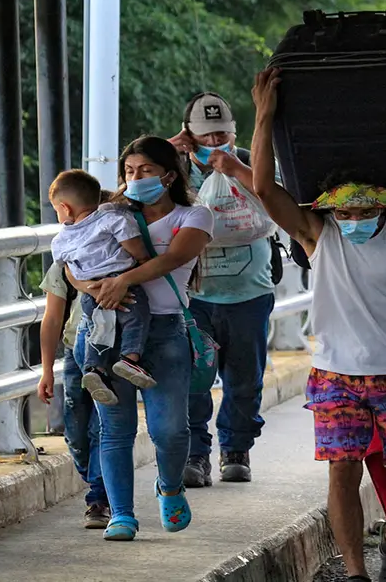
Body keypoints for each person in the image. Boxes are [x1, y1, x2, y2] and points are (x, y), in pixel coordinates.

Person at [251, 68, 386, 582]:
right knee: (341, 470)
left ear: (382, 203)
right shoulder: (319, 233)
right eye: (344, 208)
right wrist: (263, 116)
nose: (352, 216)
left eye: (363, 208)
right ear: (331, 208)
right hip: (334, 375)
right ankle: (357, 572)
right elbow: (264, 187)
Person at [68, 136, 214, 541]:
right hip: (107, 329)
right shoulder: (106, 214)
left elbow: (172, 258)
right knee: (114, 428)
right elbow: (69, 259)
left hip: (165, 331)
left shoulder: (194, 216)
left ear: (168, 175)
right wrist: (93, 287)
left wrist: (122, 281)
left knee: (170, 430)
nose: (135, 178)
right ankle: (122, 515)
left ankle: (169, 487)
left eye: (145, 170)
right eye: (129, 171)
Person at [169, 92, 276, 487]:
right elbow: (128, 199)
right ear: (189, 136)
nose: (215, 143)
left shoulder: (250, 161)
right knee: (192, 378)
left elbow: (279, 200)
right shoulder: (172, 169)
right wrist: (165, 151)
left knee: (245, 379)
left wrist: (236, 170)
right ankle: (196, 453)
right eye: (205, 137)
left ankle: (237, 450)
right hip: (192, 297)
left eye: (222, 135)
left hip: (250, 291)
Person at [48, 170, 156, 403]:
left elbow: (65, 267)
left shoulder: (60, 240)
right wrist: (143, 258)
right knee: (137, 318)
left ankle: (94, 369)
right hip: (124, 284)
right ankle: (130, 359)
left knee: (99, 329)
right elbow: (134, 245)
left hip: (91, 293)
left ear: (65, 208)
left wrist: (89, 288)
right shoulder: (112, 218)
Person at [38, 222, 110, 528]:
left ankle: (98, 497)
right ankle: (94, 479)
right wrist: (45, 371)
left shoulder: (120, 262)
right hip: (73, 354)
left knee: (102, 429)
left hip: (110, 355)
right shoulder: (64, 262)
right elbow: (52, 318)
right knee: (77, 434)